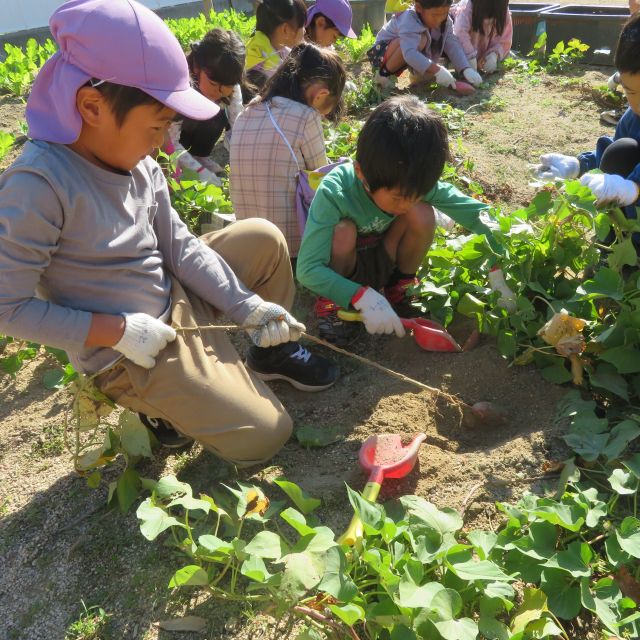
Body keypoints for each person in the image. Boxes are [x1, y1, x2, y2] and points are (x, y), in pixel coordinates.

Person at [0, 0, 338, 465]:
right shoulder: (39, 185)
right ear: (92, 106)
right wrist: (116, 330)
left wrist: (247, 306)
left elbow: (179, 246)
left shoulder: (137, 161)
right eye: (157, 125)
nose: (164, 142)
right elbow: (8, 307)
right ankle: (154, 408)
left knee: (263, 239)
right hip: (129, 350)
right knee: (266, 434)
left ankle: (266, 355)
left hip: (174, 295)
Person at [296, 95, 499, 346]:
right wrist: (359, 295)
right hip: (345, 269)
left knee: (422, 214)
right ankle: (333, 305)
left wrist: (500, 249)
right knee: (343, 232)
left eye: (416, 194)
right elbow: (307, 270)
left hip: (385, 255)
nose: (406, 204)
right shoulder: (335, 192)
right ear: (362, 174)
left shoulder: (409, 183)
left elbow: (472, 212)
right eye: (398, 198)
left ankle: (398, 289)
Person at [230, 42, 346, 257]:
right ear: (320, 95)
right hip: (290, 247)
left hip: (247, 240)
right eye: (325, 111)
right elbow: (322, 180)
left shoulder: (245, 113)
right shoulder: (305, 116)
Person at [533, 13, 640, 224]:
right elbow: (612, 155)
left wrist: (634, 186)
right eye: (632, 93)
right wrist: (578, 165)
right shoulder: (633, 117)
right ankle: (621, 239)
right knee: (621, 151)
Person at [165, 29, 246, 186]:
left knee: (216, 117)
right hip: (175, 137)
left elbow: (238, 129)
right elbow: (170, 141)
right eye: (213, 84)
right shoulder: (181, 86)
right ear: (196, 67)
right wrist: (200, 172)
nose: (219, 92)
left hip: (197, 138)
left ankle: (200, 156)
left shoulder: (232, 86)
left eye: (227, 87)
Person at [367, 0, 482, 90]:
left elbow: (452, 43)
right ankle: (382, 75)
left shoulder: (444, 22)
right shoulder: (408, 19)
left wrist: (465, 68)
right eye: (435, 15)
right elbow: (410, 53)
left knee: (424, 40)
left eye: (444, 14)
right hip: (380, 55)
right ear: (419, 8)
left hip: (402, 53)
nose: (439, 19)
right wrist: (437, 70)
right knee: (421, 40)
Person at [245, 0, 307, 89]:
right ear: (285, 30)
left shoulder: (270, 48)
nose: (304, 30)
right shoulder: (267, 67)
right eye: (302, 25)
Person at [450, 0, 512, 74]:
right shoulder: (466, 8)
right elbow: (460, 33)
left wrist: (494, 54)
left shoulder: (502, 10)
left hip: (484, 53)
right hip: (463, 53)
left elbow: (505, 39)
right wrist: (470, 57)